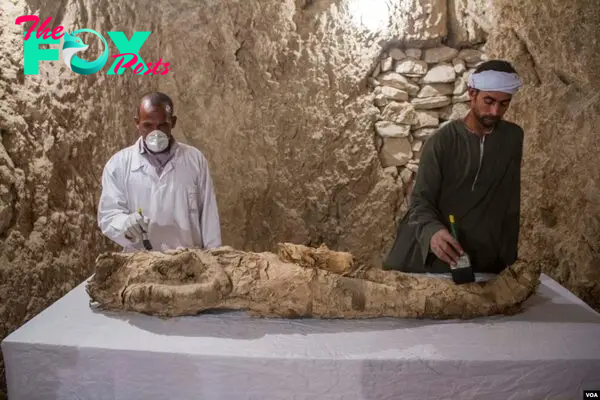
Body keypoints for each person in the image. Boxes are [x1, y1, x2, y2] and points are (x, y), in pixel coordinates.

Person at [383, 59, 524, 274]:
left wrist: (508, 260)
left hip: (483, 259)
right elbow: (421, 202)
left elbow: (509, 202)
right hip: (435, 255)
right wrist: (433, 232)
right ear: (472, 93)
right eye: (489, 101)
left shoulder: (512, 137)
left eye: (504, 103)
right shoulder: (441, 142)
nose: (495, 111)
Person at [97, 91, 222, 252]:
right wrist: (125, 224)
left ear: (173, 122)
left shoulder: (194, 160)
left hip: (189, 263)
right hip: (140, 264)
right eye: (148, 125)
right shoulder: (118, 165)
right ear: (137, 123)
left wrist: (215, 259)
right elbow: (108, 216)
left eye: (162, 125)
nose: (155, 133)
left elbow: (208, 216)